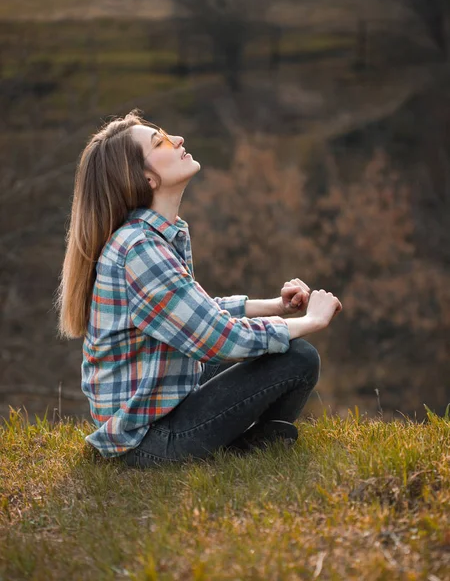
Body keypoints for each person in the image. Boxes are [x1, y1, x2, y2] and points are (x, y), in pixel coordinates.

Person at [55, 109, 343, 469]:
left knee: (281, 352)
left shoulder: (155, 236)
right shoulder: (139, 249)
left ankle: (260, 443)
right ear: (145, 178)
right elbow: (219, 339)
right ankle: (258, 446)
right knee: (298, 357)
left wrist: (274, 306)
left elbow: (196, 313)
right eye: (160, 141)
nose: (178, 140)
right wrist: (311, 321)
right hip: (146, 440)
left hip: (157, 404)